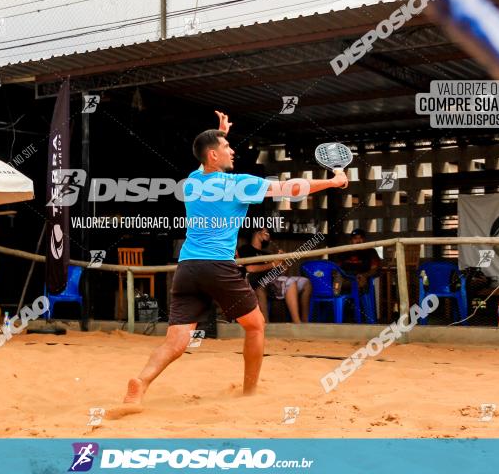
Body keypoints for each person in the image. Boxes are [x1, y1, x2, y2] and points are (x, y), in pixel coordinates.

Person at [121, 111, 348, 405]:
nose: (234, 150)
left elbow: (204, 157)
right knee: (255, 326)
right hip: (217, 266)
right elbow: (291, 188)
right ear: (214, 155)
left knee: (176, 340)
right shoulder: (237, 184)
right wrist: (333, 182)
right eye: (228, 147)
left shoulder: (192, 182)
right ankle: (250, 391)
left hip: (188, 268)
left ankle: (141, 381)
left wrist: (220, 133)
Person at [238, 227, 312, 323]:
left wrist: (283, 261)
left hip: (274, 281)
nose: (268, 235)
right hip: (257, 282)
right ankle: (297, 323)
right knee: (290, 282)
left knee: (306, 283)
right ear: (257, 232)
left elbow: (283, 272)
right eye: (266, 232)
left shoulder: (267, 253)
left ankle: (305, 322)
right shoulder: (246, 249)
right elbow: (249, 269)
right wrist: (273, 264)